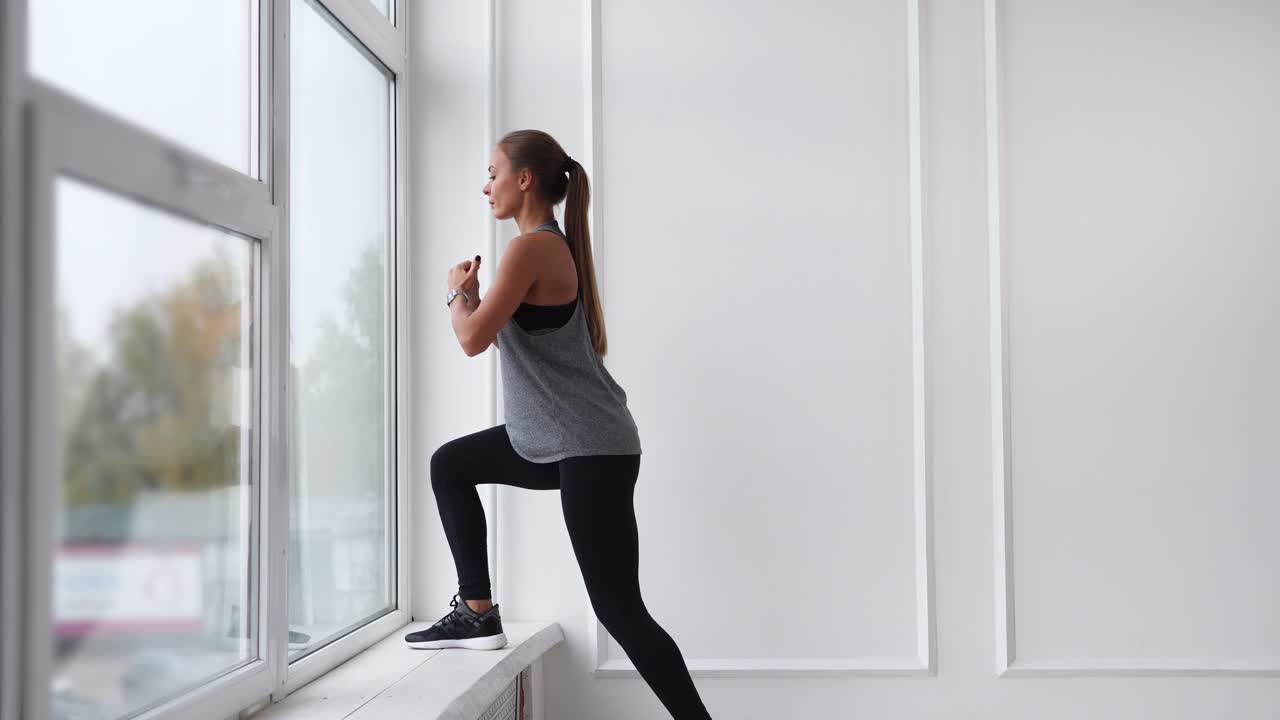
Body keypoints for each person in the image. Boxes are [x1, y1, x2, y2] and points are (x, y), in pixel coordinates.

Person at [404, 129, 713, 719]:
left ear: (525, 181)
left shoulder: (531, 249)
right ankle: (477, 612)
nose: (485, 185)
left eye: (493, 172)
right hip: (556, 440)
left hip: (591, 448)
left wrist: (455, 293)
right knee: (451, 464)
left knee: (620, 611)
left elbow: (471, 338)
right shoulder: (537, 247)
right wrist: (472, 297)